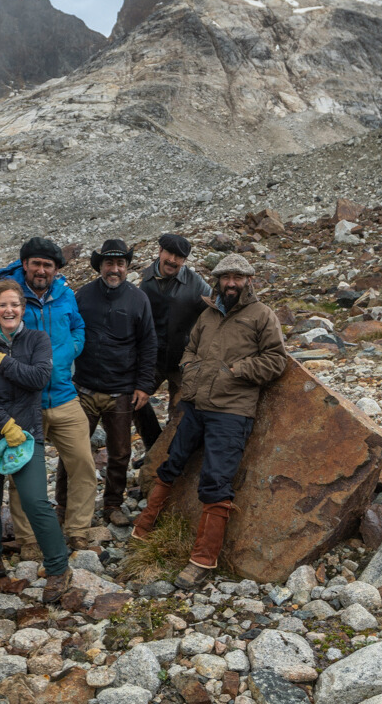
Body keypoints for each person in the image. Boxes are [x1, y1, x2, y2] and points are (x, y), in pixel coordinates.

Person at [131, 253, 288, 590]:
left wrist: (235, 371)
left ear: (249, 280)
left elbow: (276, 360)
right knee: (172, 463)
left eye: (237, 277)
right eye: (225, 277)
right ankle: (145, 525)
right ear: (217, 280)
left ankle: (203, 559)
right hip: (196, 404)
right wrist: (190, 369)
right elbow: (190, 349)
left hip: (231, 412)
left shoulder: (262, 315)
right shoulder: (209, 313)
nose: (231, 283)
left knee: (216, 480)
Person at [0, 280, 71, 602]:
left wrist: (0, 362)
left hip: (26, 437)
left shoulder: (38, 340)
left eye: (14, 304)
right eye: (3, 305)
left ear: (23, 309)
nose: (9, 310)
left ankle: (58, 567)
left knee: (35, 501)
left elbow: (39, 378)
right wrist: (4, 423)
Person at [0, 237, 97, 552]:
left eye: (47, 265)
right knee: (22, 471)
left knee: (83, 464)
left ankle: (77, 530)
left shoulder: (66, 295)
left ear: (56, 269)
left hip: (64, 395)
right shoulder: (11, 297)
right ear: (25, 264)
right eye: (36, 263)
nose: (41, 270)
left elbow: (78, 327)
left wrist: (69, 351)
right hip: (25, 401)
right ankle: (27, 539)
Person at [72, 239, 156, 528]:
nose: (115, 269)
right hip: (83, 388)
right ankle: (65, 505)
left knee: (120, 453)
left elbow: (148, 345)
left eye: (121, 263)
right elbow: (68, 334)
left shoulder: (138, 299)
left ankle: (112, 504)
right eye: (109, 263)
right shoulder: (83, 295)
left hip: (122, 391)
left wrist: (144, 386)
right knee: (74, 451)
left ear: (127, 267)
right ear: (100, 266)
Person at [135, 234, 212, 454]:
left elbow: (216, 309)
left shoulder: (195, 283)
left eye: (179, 257)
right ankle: (154, 446)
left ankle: (170, 454)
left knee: (183, 411)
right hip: (152, 359)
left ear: (184, 260)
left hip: (183, 360)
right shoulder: (144, 280)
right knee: (133, 400)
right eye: (169, 253)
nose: (172, 260)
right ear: (160, 251)